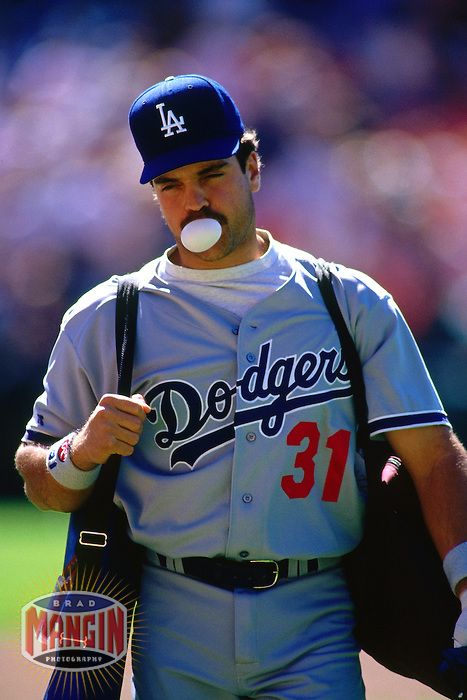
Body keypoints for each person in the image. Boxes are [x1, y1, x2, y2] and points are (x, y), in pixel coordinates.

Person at [16, 74, 467, 699]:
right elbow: (40, 479)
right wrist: (81, 452)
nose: (193, 200)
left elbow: (433, 453)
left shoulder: (349, 302)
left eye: (211, 174)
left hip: (315, 614)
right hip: (173, 617)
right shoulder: (106, 317)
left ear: (252, 167)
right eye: (170, 184)